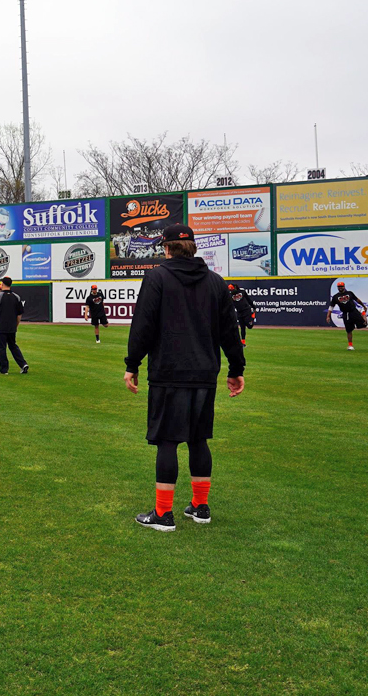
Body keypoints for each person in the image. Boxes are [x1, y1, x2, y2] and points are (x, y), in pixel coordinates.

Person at [124, 224, 245, 532]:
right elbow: (231, 330)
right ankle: (200, 507)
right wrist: (236, 369)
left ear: (166, 248)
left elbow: (143, 325)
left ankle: (163, 514)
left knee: (167, 441)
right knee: (198, 439)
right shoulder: (216, 282)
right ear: (193, 247)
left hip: (169, 372)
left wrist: (132, 364)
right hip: (204, 373)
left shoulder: (156, 278)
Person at [0, 277, 28, 374]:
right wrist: (16, 325)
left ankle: (4, 369)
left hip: (0, 327)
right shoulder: (16, 297)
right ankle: (23, 364)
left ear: (2, 284)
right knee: (13, 346)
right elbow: (19, 314)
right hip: (11, 327)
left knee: (1, 348)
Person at [328, 281, 367, 351]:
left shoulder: (349, 293)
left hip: (353, 311)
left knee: (363, 324)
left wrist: (363, 306)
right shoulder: (335, 297)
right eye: (339, 287)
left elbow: (357, 300)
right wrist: (328, 316)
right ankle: (350, 345)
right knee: (349, 330)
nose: (340, 288)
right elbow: (331, 307)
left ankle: (363, 313)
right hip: (346, 314)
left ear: (344, 286)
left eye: (341, 286)